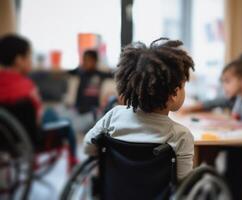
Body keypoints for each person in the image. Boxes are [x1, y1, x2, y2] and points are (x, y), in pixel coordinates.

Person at [84, 38, 195, 180]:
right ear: (174, 93)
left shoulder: (113, 116)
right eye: (183, 86)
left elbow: (89, 146)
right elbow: (183, 184)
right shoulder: (180, 136)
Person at [0, 34, 77, 169]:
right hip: (31, 139)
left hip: (5, 139)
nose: (31, 61)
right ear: (19, 60)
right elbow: (37, 117)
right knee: (59, 118)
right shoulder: (27, 86)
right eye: (29, 56)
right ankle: (73, 161)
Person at [68, 50, 114, 114]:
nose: (85, 62)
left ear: (95, 61)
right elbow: (70, 73)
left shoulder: (100, 75)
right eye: (84, 60)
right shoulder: (80, 73)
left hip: (92, 111)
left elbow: (113, 75)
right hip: (78, 110)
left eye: (88, 60)